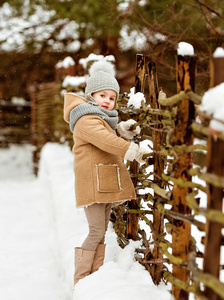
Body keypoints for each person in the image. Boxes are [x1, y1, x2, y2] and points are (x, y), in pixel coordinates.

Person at [63, 59, 149, 285]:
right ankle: (81, 279)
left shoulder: (99, 119)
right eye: (102, 96)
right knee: (95, 231)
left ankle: (93, 278)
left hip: (102, 181)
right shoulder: (85, 119)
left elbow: (107, 133)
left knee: (100, 233)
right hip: (92, 183)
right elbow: (104, 139)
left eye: (112, 98)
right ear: (91, 95)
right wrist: (129, 148)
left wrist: (121, 130)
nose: (108, 102)